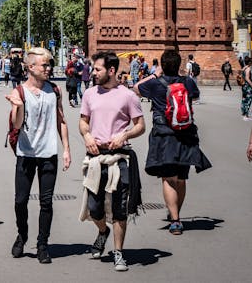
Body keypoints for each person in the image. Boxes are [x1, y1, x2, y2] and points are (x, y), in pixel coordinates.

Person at [79, 51, 145, 273]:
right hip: (96, 158)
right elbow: (83, 122)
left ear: (112, 70)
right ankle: (102, 231)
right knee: (94, 208)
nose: (93, 72)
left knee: (120, 209)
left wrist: (124, 135)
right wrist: (87, 136)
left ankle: (118, 252)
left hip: (119, 159)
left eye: (97, 69)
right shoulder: (89, 94)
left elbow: (140, 125)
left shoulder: (128, 96)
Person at [134, 50, 211, 236]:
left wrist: (154, 74)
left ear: (162, 65)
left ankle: (175, 220)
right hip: (186, 132)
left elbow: (136, 88)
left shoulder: (154, 83)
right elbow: (195, 96)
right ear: (178, 65)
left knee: (169, 178)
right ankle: (176, 214)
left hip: (164, 134)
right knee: (182, 177)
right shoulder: (187, 81)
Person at [6, 47, 71, 264]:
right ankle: (22, 234)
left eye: (50, 64)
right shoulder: (19, 92)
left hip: (48, 153)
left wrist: (67, 150)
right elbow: (16, 125)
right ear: (30, 67)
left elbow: (61, 120)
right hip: (26, 154)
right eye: (45, 65)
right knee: (20, 201)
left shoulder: (55, 90)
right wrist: (18, 106)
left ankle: (43, 244)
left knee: (46, 202)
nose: (49, 68)